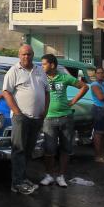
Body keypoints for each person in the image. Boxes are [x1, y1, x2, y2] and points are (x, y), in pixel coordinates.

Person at [0, 44, 50, 195]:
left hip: (37, 118)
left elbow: (46, 92)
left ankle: (23, 177)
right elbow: (6, 92)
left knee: (28, 151)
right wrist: (17, 112)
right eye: (23, 54)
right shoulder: (14, 71)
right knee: (19, 150)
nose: (26, 57)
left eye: (29, 54)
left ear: (33, 55)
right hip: (21, 118)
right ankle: (17, 183)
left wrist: (44, 112)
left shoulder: (40, 70)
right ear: (19, 56)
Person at [38, 55, 87, 188]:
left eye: (44, 64)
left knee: (66, 148)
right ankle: (48, 175)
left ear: (52, 65)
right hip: (48, 118)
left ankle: (61, 176)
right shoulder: (41, 78)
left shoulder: (65, 77)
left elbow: (84, 87)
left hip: (66, 117)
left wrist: (73, 101)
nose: (42, 67)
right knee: (49, 149)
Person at [88, 67, 104, 163]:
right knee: (98, 133)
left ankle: (101, 155)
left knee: (103, 134)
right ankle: (98, 156)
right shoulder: (94, 84)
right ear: (95, 74)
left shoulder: (103, 84)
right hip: (99, 110)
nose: (100, 74)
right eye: (98, 73)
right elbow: (100, 97)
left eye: (102, 73)